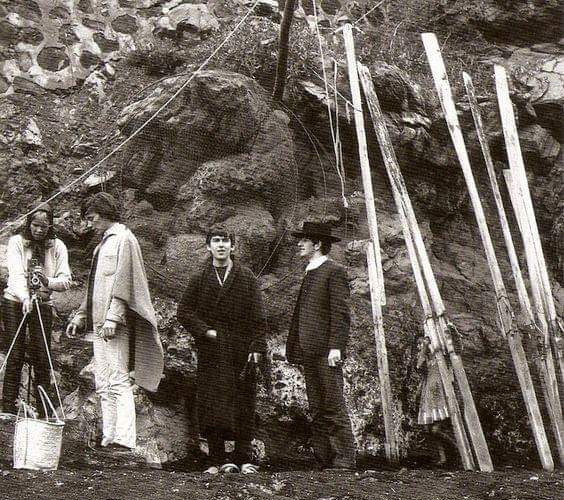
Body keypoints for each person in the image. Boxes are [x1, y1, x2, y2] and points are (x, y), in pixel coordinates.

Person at [66, 192, 164, 453]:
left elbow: (124, 284)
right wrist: (80, 315)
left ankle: (125, 439)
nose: (90, 221)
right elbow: (94, 287)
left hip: (115, 325)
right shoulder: (103, 244)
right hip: (98, 324)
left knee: (118, 378)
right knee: (102, 381)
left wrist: (113, 317)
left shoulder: (124, 239)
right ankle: (109, 437)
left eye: (92, 215)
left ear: (105, 211)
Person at [177, 224, 267, 474]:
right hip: (213, 349)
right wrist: (206, 331)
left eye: (225, 241)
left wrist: (256, 347)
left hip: (241, 349)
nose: (220, 245)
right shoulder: (200, 278)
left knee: (243, 402)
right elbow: (184, 312)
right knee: (213, 403)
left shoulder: (246, 276)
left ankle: (244, 458)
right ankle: (217, 459)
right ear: (208, 246)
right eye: (215, 241)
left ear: (233, 246)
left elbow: (259, 317)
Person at [286, 221, 356, 471]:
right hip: (309, 350)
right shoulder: (310, 270)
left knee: (333, 405)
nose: (299, 244)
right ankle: (322, 458)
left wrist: (336, 347)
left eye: (304, 240)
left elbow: (340, 313)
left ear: (317, 244)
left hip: (327, 352)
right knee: (316, 407)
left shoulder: (333, 270)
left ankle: (344, 460)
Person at [1, 205, 72, 418]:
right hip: (15, 301)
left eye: (44, 226)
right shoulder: (16, 242)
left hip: (43, 302)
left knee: (42, 355)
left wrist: (47, 282)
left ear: (50, 226)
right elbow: (14, 274)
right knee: (15, 353)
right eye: (35, 225)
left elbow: (66, 280)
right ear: (28, 224)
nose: (39, 230)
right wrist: (24, 297)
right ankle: (7, 408)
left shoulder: (57, 246)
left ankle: (44, 410)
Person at [416, 335, 452, 466]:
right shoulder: (424, 359)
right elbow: (419, 366)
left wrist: (428, 345)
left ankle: (456, 447)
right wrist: (424, 348)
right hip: (428, 397)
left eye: (421, 344)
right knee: (428, 430)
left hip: (439, 395)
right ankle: (443, 458)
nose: (419, 347)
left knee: (436, 429)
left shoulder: (439, 356)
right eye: (418, 345)